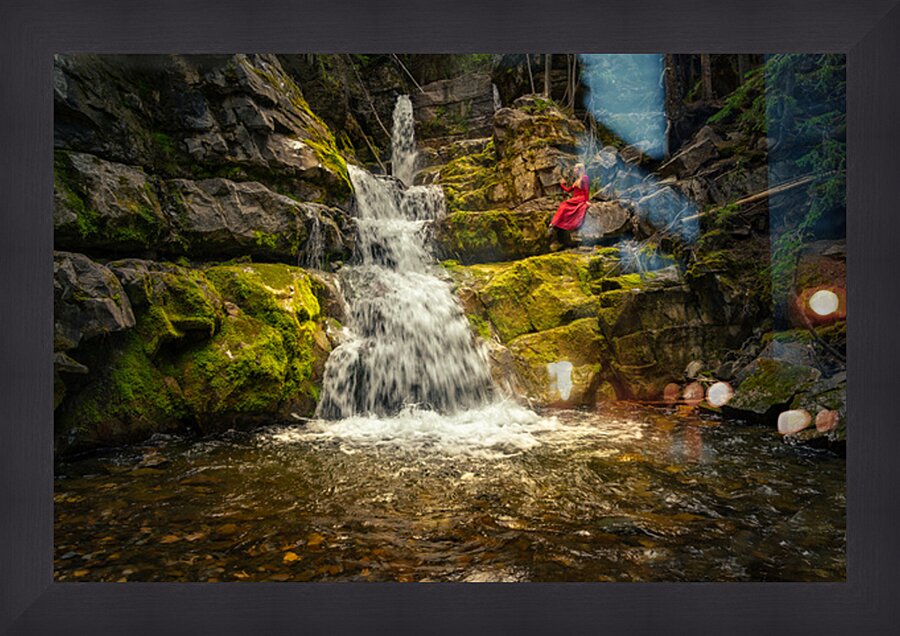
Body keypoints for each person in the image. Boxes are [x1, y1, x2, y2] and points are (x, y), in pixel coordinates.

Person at [548, 163, 590, 248]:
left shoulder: (585, 178)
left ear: (579, 169)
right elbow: (569, 190)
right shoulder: (577, 180)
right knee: (564, 205)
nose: (574, 170)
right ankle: (554, 224)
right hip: (576, 198)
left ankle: (554, 223)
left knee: (564, 205)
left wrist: (586, 201)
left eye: (575, 169)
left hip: (581, 198)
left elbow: (586, 190)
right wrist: (562, 184)